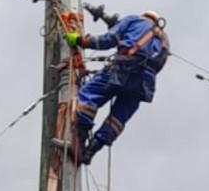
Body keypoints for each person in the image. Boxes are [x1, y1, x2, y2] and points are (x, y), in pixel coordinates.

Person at [64, 10, 170, 164]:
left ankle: (79, 140)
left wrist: (81, 41)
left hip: (123, 68)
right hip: (145, 83)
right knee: (118, 118)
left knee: (89, 94)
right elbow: (159, 65)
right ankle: (91, 151)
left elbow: (108, 40)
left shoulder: (134, 20)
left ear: (145, 16)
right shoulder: (164, 40)